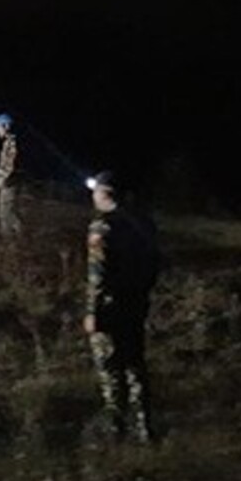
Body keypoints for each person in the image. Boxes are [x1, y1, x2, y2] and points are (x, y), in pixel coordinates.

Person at [82, 171, 161, 443]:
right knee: (135, 363)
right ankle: (145, 426)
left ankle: (116, 427)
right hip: (136, 303)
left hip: (110, 307)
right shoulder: (143, 222)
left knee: (110, 367)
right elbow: (155, 264)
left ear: (104, 193)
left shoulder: (102, 227)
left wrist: (92, 311)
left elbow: (97, 273)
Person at [0, 113, 23, 238]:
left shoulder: (11, 143)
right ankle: (20, 236)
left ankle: (8, 241)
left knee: (4, 213)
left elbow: (10, 165)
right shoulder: (9, 142)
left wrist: (1, 179)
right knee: (10, 211)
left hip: (9, 182)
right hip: (10, 181)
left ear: (6, 126)